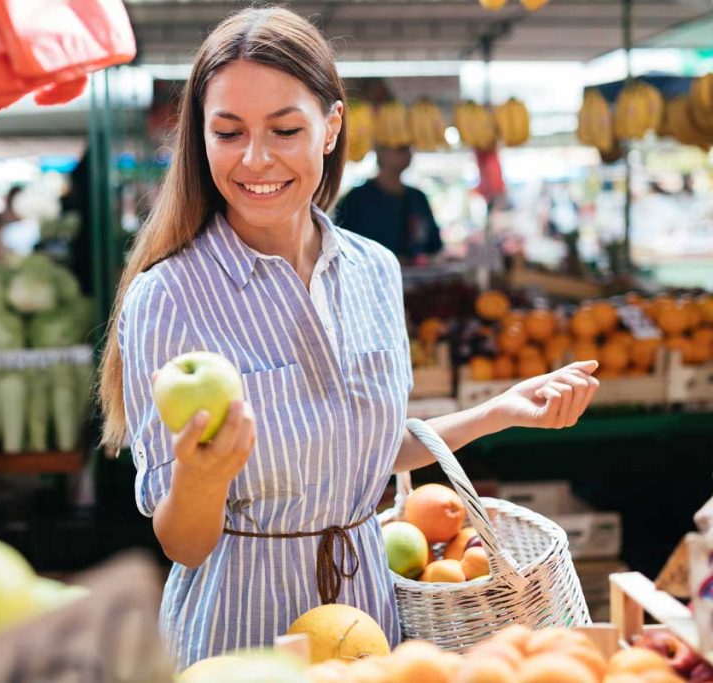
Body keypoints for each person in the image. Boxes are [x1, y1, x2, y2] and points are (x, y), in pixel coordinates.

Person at [97, 7, 601, 670]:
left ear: (331, 127)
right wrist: (203, 473)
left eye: (284, 129)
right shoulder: (169, 296)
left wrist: (497, 412)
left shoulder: (373, 271)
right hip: (237, 633)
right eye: (228, 132)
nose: (255, 159)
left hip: (368, 624)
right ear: (201, 135)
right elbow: (183, 541)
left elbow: (357, 454)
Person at [334, 144, 442, 264]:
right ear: (380, 153)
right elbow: (340, 246)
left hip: (417, 279)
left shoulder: (418, 198)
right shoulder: (356, 199)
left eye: (408, 147)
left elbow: (434, 247)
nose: (407, 153)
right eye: (400, 148)